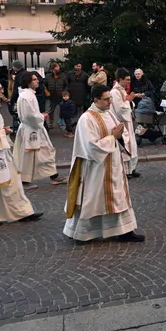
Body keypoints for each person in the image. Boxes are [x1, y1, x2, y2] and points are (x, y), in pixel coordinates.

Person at [63, 84, 145, 243]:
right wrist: (113, 137)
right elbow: (91, 147)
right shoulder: (87, 119)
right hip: (96, 168)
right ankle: (83, 233)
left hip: (114, 165)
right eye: (106, 100)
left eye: (110, 99)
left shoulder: (110, 114)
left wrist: (120, 137)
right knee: (93, 201)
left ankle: (124, 230)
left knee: (119, 198)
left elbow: (123, 134)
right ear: (95, 100)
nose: (110, 103)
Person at [0, 78, 43, 227]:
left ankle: (23, 212)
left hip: (1, 150)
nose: (2, 91)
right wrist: (1, 133)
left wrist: (3, 131)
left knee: (13, 181)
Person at [14, 71, 67, 190]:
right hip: (32, 129)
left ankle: (54, 176)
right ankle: (24, 180)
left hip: (34, 128)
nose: (37, 81)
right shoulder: (27, 96)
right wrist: (42, 117)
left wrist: (40, 116)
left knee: (45, 152)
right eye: (34, 79)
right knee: (31, 155)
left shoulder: (28, 94)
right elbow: (30, 116)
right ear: (28, 82)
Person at [111, 68, 140, 179]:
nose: (129, 82)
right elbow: (120, 110)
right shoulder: (114, 92)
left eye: (129, 80)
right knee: (125, 146)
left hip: (128, 122)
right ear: (120, 79)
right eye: (127, 80)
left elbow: (127, 103)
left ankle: (131, 169)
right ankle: (125, 171)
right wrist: (129, 101)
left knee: (131, 145)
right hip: (122, 123)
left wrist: (130, 101)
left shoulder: (122, 90)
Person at [45, 62, 69, 128]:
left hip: (61, 96)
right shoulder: (48, 76)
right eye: (57, 67)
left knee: (63, 110)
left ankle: (62, 122)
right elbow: (45, 85)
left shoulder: (63, 75)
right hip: (52, 96)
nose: (58, 68)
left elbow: (66, 85)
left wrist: (64, 92)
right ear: (53, 68)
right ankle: (50, 123)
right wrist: (48, 93)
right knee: (51, 111)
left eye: (58, 67)